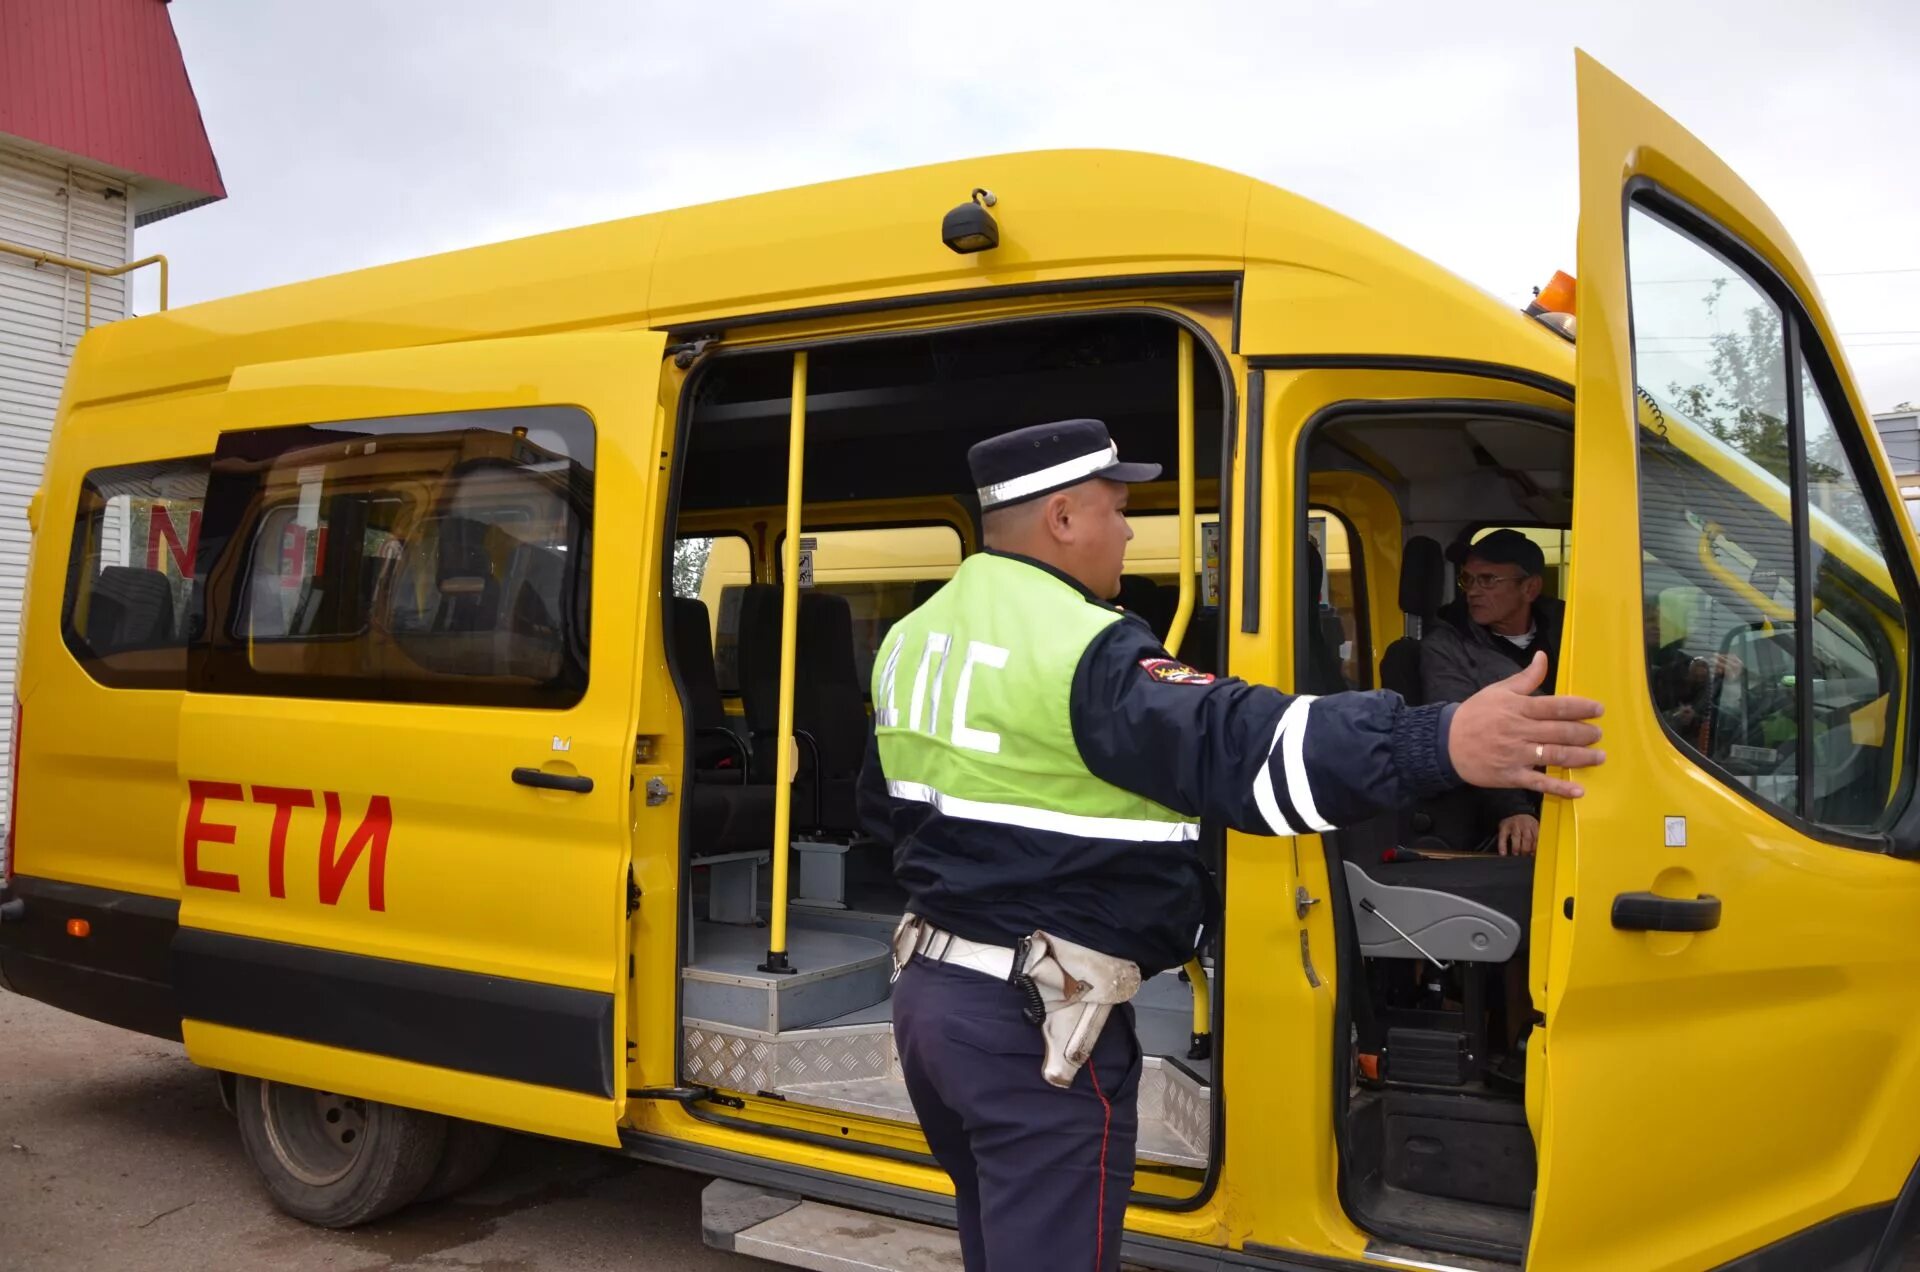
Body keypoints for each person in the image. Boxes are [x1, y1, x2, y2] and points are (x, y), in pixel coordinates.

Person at [857, 419, 1605, 1271]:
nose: (1130, 530)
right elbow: (1235, 740)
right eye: (1118, 508)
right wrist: (1436, 743)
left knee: (1001, 1239)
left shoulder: (914, 637)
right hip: (1035, 1025)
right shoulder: (1079, 644)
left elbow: (886, 814)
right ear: (1062, 518)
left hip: (934, 1000)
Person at [1419, 529, 1566, 857]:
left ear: (1530, 588)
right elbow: (1462, 734)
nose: (1473, 591)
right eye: (1467, 580)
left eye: (1487, 580)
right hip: (1507, 797)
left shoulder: (1569, 629)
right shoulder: (1447, 646)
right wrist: (1513, 809)